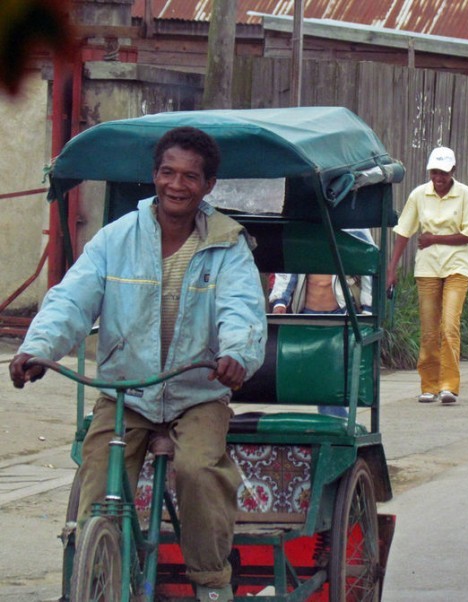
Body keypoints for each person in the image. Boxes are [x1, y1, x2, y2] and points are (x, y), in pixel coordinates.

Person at [8, 127, 267, 602]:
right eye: (167, 172)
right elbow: (72, 299)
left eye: (190, 176)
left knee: (198, 470)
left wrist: (237, 353)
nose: (177, 184)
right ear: (154, 176)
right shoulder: (117, 237)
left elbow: (242, 310)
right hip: (127, 390)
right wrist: (39, 347)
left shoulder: (228, 244)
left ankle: (212, 583)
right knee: (98, 464)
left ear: (208, 186)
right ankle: (96, 568)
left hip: (197, 393)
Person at [386, 146, 468, 405]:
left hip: (458, 265)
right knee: (429, 329)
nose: (439, 178)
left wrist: (434, 238)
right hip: (428, 267)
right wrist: (391, 269)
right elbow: (404, 232)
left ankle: (449, 385)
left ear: (453, 171)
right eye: (435, 172)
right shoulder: (419, 194)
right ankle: (429, 385)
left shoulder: (464, 194)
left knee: (449, 326)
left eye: (444, 173)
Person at [268, 228, 374, 417]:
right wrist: (280, 301)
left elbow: (369, 266)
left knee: (331, 377)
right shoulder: (303, 231)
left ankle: (336, 421)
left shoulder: (354, 229)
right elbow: (289, 268)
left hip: (341, 314)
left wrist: (368, 308)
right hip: (309, 314)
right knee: (319, 376)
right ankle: (335, 421)